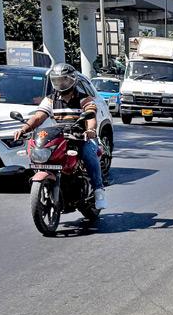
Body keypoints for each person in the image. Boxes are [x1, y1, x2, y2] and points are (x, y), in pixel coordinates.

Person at [14, 63, 106, 209]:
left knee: (89, 154)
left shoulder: (84, 98)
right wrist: (24, 128)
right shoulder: (50, 99)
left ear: (73, 80)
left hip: (81, 137)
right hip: (61, 136)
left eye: (64, 80)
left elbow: (91, 117)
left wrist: (90, 130)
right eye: (57, 80)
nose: (61, 83)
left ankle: (98, 190)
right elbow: (38, 117)